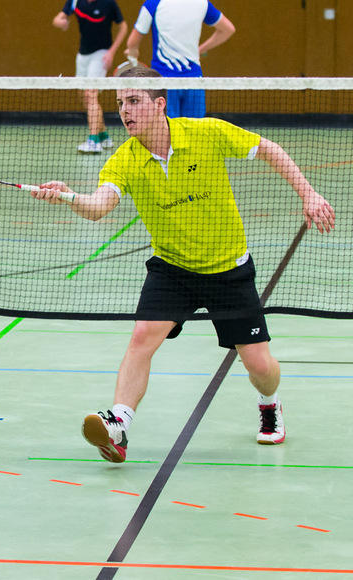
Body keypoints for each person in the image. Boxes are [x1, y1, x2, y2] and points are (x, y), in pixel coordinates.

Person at [31, 66, 335, 463]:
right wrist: (69, 197)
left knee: (260, 366)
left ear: (160, 104)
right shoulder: (125, 159)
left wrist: (308, 194)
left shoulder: (205, 132)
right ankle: (118, 425)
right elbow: (100, 206)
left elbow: (269, 149)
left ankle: (270, 403)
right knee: (142, 337)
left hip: (227, 268)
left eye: (134, 101)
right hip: (172, 268)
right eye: (120, 103)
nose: (125, 111)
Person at [124, 0, 235, 118]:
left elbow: (132, 42)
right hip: (194, 81)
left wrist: (132, 52)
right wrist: (200, 50)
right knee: (195, 128)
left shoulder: (153, 3)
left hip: (163, 80)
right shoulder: (202, 3)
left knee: (167, 127)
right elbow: (228, 29)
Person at [52, 0, 129, 154]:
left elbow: (123, 26)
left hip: (101, 54)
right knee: (84, 96)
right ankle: (103, 135)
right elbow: (57, 19)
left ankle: (94, 141)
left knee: (90, 94)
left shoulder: (108, 3)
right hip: (83, 55)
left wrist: (111, 52)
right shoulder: (75, 2)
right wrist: (61, 22)